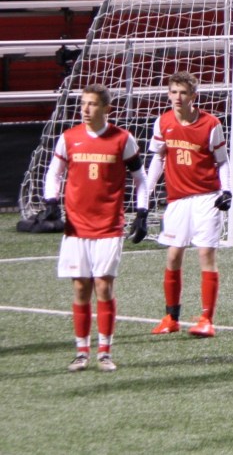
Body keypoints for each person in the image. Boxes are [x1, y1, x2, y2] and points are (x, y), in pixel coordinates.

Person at [45, 83, 149, 372]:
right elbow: (54, 173)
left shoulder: (122, 139)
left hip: (108, 225)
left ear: (106, 108)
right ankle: (81, 352)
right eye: (83, 104)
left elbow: (141, 178)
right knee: (80, 287)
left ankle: (104, 352)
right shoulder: (69, 138)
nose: (86, 110)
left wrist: (142, 212)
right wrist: (51, 201)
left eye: (92, 104)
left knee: (103, 286)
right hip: (76, 227)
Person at [147, 72, 231, 338]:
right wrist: (145, 195)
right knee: (173, 255)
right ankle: (171, 317)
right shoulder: (163, 122)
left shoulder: (210, 124)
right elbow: (158, 159)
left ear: (193, 96)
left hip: (207, 197)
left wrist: (227, 190)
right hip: (178, 200)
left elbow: (223, 161)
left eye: (183, 93)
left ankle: (207, 319)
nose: (177, 98)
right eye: (173, 92)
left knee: (206, 254)